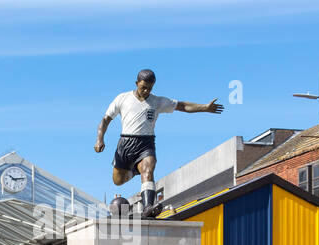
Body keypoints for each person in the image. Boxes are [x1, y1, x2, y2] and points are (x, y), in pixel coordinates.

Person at [94, 69, 224, 218]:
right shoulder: (122, 98)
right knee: (118, 180)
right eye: (143, 87)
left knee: (149, 170)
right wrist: (100, 138)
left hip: (146, 143)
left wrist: (205, 108)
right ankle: (136, 171)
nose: (146, 91)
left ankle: (148, 207)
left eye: (149, 88)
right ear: (136, 83)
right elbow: (105, 119)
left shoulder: (157, 101)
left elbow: (182, 106)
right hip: (125, 143)